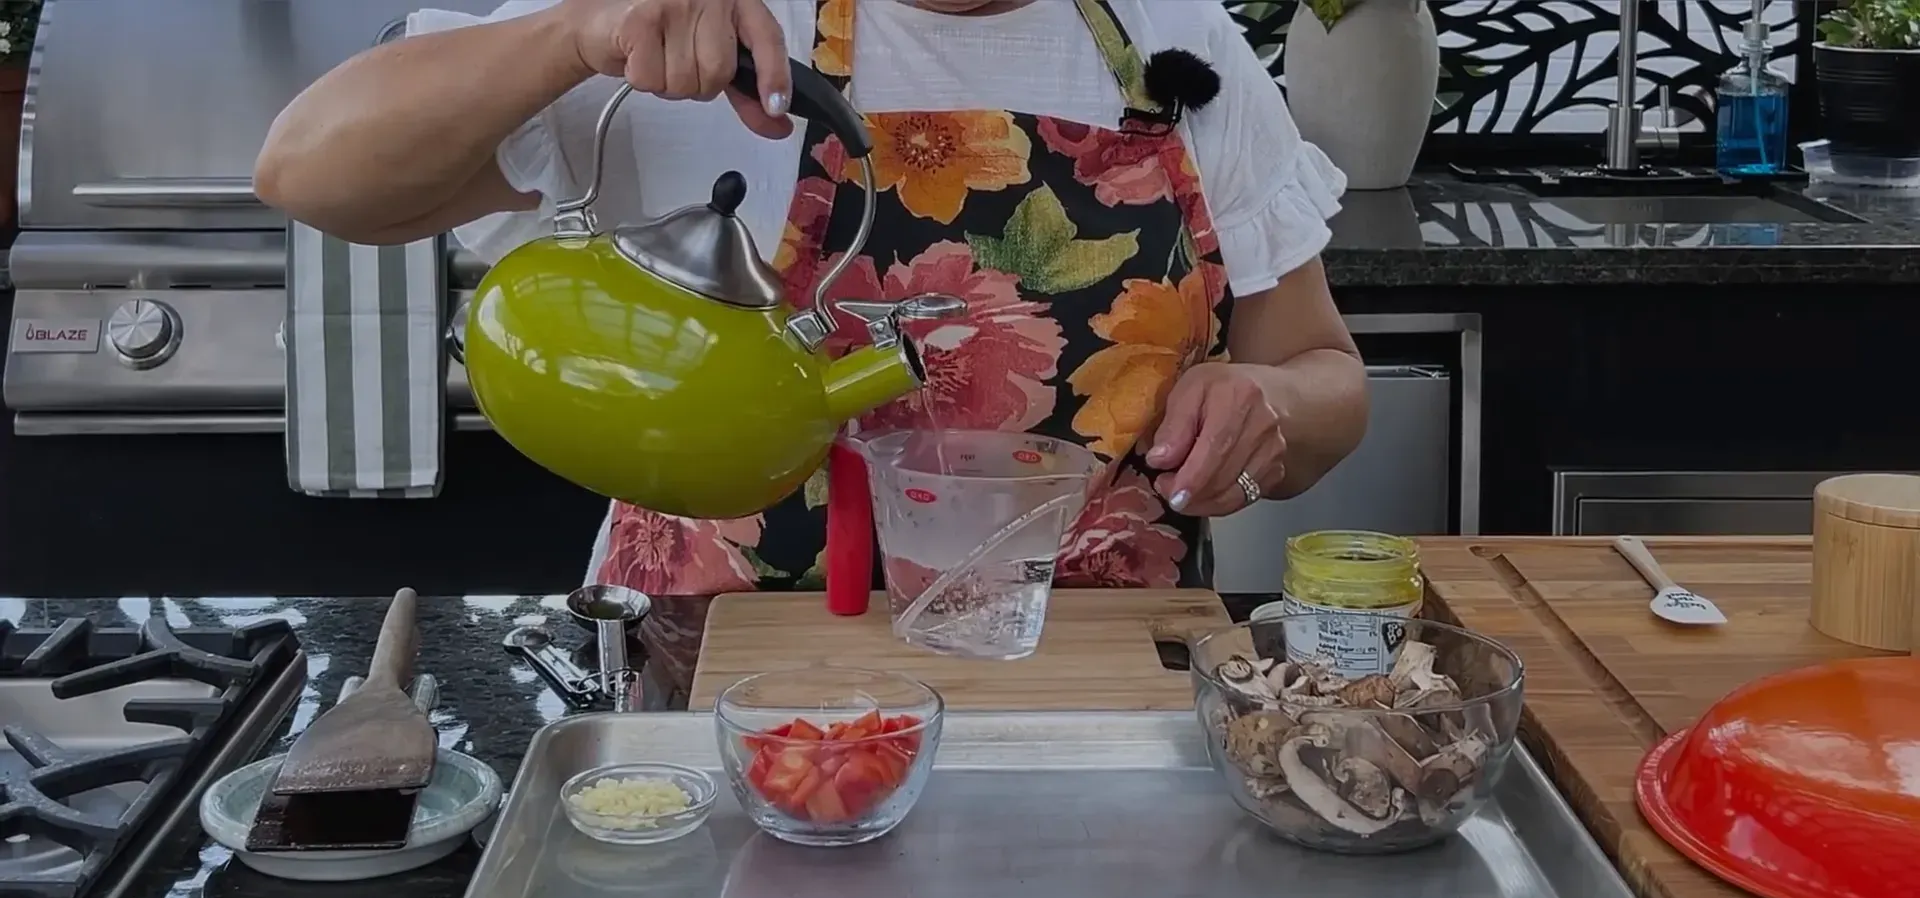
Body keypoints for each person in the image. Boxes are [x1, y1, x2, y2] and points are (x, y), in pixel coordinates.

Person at [256, 0, 1368, 703]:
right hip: (718, 700)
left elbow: (1326, 376)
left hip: (1099, 695)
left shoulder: (1181, 43)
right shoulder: (696, 24)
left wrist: (1271, 402)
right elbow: (309, 171)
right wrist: (575, 32)